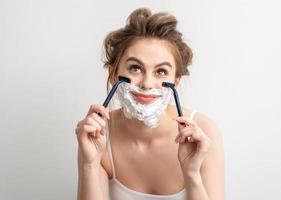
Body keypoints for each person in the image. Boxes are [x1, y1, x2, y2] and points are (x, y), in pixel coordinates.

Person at [75, 8, 225, 200]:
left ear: (176, 81)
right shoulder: (97, 134)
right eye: (135, 68)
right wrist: (90, 163)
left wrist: (192, 175)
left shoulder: (204, 133)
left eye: (161, 71)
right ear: (113, 74)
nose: (146, 84)